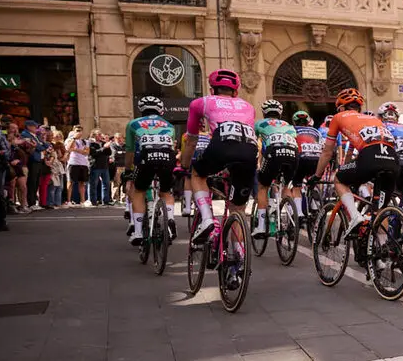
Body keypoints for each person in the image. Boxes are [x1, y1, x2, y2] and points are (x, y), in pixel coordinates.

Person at [182, 69, 259, 244]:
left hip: (221, 144)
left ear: (212, 90)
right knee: (237, 208)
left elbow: (192, 140)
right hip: (249, 150)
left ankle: (208, 219)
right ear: (236, 92)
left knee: (197, 173)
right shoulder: (248, 106)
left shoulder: (200, 103)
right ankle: (239, 256)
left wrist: (184, 166)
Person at [312, 89, 399, 233]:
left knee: (339, 179)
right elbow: (353, 152)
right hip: (393, 160)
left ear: (341, 107)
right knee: (380, 210)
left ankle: (354, 217)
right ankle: (382, 247)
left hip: (370, 158)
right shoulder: (374, 120)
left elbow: (327, 152)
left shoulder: (339, 117)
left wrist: (317, 175)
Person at [124, 96, 179, 245]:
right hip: (167, 157)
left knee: (139, 191)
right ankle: (170, 219)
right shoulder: (169, 125)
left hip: (146, 157)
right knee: (166, 192)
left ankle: (138, 232)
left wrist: (128, 170)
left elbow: (129, 151)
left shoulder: (133, 124)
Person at [252, 100, 300, 238]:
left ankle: (261, 227)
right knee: (287, 187)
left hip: (274, 152)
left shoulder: (259, 124)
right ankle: (292, 221)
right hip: (293, 154)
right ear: (280, 113)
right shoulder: (289, 125)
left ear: (264, 112)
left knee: (263, 186)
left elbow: (255, 146)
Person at [289, 110, 324, 225]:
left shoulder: (292, 130)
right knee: (313, 181)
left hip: (302, 158)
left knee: (297, 184)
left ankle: (299, 213)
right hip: (317, 159)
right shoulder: (316, 131)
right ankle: (315, 205)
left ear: (295, 122)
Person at [88, 128, 113, 206]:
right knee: (93, 184)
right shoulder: (91, 143)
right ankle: (93, 201)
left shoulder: (103, 143)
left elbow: (108, 153)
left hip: (104, 166)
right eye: (98, 134)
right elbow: (94, 153)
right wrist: (104, 148)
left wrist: (108, 147)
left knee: (106, 184)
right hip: (95, 166)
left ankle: (105, 200)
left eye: (100, 134)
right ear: (94, 135)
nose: (100, 136)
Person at [65, 126, 90, 206]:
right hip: (73, 163)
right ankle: (68, 201)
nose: (79, 132)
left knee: (82, 183)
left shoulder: (85, 141)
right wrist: (74, 139)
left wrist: (75, 149)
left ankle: (82, 201)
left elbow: (86, 152)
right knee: (70, 182)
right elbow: (68, 148)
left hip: (83, 163)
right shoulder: (70, 140)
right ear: (74, 131)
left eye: (80, 130)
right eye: (77, 130)